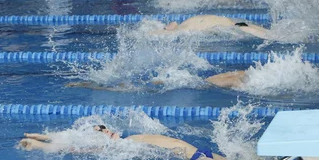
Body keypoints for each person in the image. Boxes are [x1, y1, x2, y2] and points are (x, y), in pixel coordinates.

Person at [19, 126, 234, 160]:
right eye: (102, 132)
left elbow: (73, 135)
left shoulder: (130, 136)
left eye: (104, 128)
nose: (106, 131)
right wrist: (39, 144)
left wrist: (42, 135)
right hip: (195, 159)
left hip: (201, 150)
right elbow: (74, 147)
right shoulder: (121, 148)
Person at [65, 70, 247, 91]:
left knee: (208, 82)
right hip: (181, 82)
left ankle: (242, 80)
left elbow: (104, 88)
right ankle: (243, 76)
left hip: (181, 84)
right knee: (207, 80)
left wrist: (82, 85)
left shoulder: (129, 89)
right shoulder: (132, 85)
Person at [152, 15, 271, 40]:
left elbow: (168, 28)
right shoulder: (180, 24)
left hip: (226, 25)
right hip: (229, 22)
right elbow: (172, 23)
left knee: (270, 36)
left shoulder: (182, 30)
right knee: (270, 34)